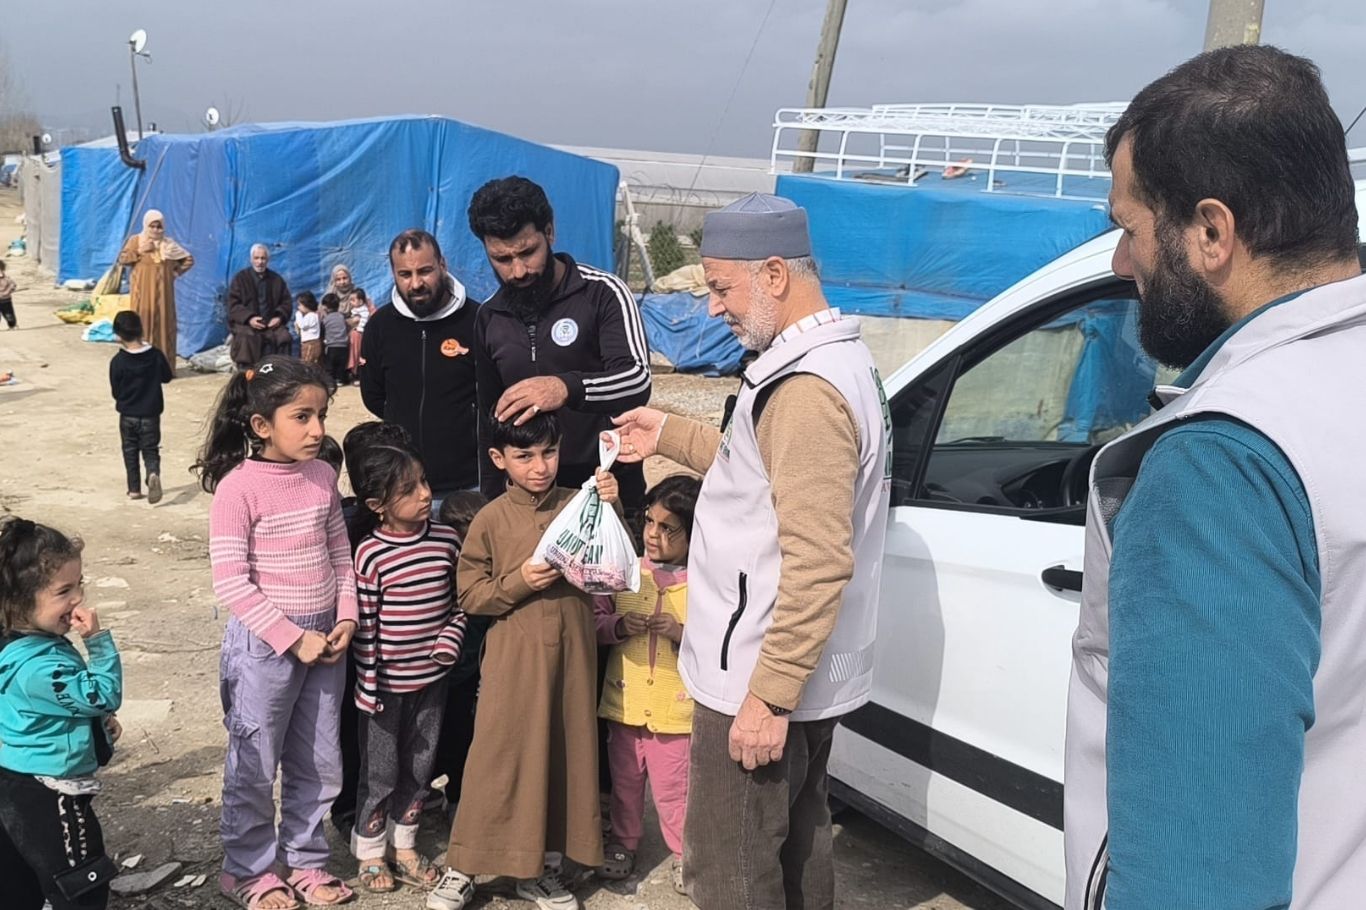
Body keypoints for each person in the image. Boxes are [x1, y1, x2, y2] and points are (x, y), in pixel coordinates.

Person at [1062, 47, 1366, 910]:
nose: (1121, 263)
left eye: (1130, 228)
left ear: (1210, 233)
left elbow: (1194, 882)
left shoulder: (1222, 465)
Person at [612, 192, 893, 910]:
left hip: (758, 673)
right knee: (798, 849)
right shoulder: (833, 363)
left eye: (720, 287)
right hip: (792, 670)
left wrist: (768, 695)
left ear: (774, 274)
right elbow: (763, 470)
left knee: (728, 869)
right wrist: (670, 433)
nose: (712, 308)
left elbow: (819, 559)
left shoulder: (806, 391)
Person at [427, 410, 614, 910]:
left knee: (561, 753)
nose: (539, 466)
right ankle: (464, 866)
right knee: (497, 754)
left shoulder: (580, 504)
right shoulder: (489, 518)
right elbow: (470, 595)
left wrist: (610, 508)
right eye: (524, 456)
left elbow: (615, 565)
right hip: (514, 656)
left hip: (573, 656)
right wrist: (519, 583)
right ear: (498, 458)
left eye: (549, 453)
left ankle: (541, 869)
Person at [193, 355, 358, 910]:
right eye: (302, 417)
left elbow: (340, 554)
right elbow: (231, 582)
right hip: (265, 649)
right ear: (262, 425)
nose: (316, 430)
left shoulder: (321, 476)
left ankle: (305, 860)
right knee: (255, 764)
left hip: (325, 643)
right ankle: (248, 870)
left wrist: (346, 617)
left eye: (321, 415)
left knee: (320, 760)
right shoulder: (238, 489)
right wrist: (292, 637)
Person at [466, 176, 652, 510]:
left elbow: (636, 380)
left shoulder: (603, 293)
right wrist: (492, 501)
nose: (518, 271)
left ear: (549, 233)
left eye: (528, 252)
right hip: (530, 499)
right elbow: (489, 417)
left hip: (607, 488)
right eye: (502, 259)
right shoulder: (489, 317)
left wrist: (565, 387)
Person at [347, 442, 465, 895]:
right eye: (409, 489)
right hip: (383, 689)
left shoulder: (446, 541)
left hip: (431, 682)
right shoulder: (370, 554)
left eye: (424, 481)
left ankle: (405, 845)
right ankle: (370, 850)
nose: (425, 494)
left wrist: (450, 639)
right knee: (379, 771)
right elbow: (366, 628)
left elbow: (460, 603)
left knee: (420, 764)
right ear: (377, 505)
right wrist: (368, 686)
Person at [0, 517, 122, 910]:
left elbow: (58, 707)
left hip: (17, 778)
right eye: (64, 591)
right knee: (81, 881)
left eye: (79, 584)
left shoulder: (19, 645)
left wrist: (95, 725)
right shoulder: (38, 667)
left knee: (21, 878)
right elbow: (102, 694)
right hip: (52, 790)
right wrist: (98, 642)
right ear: (20, 601)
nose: (78, 599)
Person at [594, 474, 700, 894]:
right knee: (625, 781)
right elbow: (594, 621)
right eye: (650, 522)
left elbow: (715, 643)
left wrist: (680, 632)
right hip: (624, 703)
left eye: (669, 528)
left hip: (676, 712)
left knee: (675, 789)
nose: (654, 534)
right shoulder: (626, 573)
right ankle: (624, 842)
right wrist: (618, 626)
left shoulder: (703, 585)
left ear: (695, 533)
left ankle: (684, 853)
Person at [329, 421, 416, 837]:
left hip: (406, 655)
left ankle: (389, 804)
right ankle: (352, 808)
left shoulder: (421, 526)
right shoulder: (343, 525)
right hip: (356, 648)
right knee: (355, 728)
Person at [359, 230, 479, 499]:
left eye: (425, 271)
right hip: (405, 487)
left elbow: (492, 395)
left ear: (442, 265)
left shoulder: (477, 320)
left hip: (470, 485)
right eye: (405, 274)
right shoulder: (380, 327)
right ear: (393, 274)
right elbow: (373, 395)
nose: (416, 284)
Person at [431, 491, 490, 821]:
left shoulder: (493, 566)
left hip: (475, 670)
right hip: (446, 670)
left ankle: (459, 799)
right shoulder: (440, 567)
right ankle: (450, 798)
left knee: (467, 735)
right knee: (449, 735)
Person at [109, 310, 173, 504]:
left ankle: (134, 489)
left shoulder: (118, 362)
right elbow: (167, 377)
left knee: (130, 451)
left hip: (127, 415)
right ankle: (153, 473)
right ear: (140, 330)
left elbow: (116, 392)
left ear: (118, 335)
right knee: (150, 450)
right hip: (150, 415)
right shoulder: (155, 355)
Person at [117, 209, 193, 363]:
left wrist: (175, 273)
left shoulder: (168, 244)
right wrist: (140, 251)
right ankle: (141, 364)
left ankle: (163, 366)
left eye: (159, 227)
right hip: (142, 293)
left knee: (164, 325)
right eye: (152, 226)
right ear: (146, 225)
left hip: (164, 295)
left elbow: (188, 259)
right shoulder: (137, 240)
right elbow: (123, 259)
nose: (155, 230)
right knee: (142, 323)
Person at [226, 245, 293, 371]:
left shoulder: (276, 279)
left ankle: (280, 372)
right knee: (247, 337)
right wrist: (249, 318)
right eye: (256, 258)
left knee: (284, 337)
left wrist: (279, 317)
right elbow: (233, 304)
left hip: (271, 324)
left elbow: (286, 302)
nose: (260, 262)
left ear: (267, 260)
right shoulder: (240, 279)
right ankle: (246, 372)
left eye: (263, 258)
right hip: (247, 324)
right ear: (251, 259)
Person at [319, 294, 350, 386]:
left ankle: (330, 381)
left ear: (326, 307)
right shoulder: (341, 316)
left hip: (331, 346)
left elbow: (322, 331)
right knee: (341, 365)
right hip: (343, 346)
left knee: (330, 365)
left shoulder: (326, 319)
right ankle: (341, 380)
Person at [346, 289, 374, 378]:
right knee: (353, 352)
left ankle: (356, 372)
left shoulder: (364, 310)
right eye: (350, 300)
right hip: (353, 334)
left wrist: (359, 328)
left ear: (361, 301)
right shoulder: (355, 309)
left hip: (358, 335)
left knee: (357, 352)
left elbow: (364, 320)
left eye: (353, 300)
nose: (351, 302)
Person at [294, 293, 322, 367]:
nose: (298, 307)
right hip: (310, 343)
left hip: (310, 344)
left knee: (307, 364)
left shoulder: (311, 315)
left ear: (307, 305)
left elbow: (302, 325)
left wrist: (298, 314)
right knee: (311, 364)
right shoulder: (311, 316)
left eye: (300, 305)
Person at [0, 260, 16, 329]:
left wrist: (7, 292)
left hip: (5, 300)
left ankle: (12, 325)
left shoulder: (6, 278)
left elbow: (13, 285)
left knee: (8, 314)